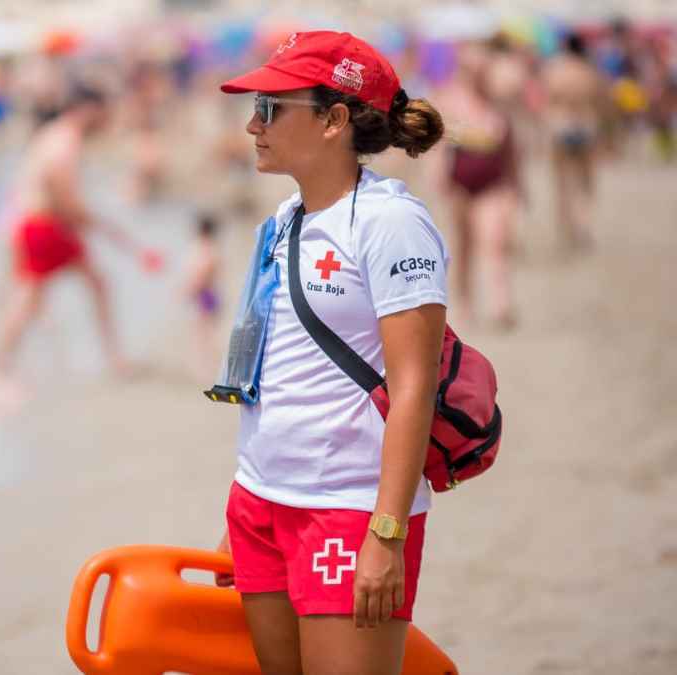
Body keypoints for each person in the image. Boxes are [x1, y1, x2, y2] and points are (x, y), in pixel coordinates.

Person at [212, 31, 448, 675]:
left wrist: (387, 532)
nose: (253, 125)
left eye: (271, 108)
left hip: (349, 506)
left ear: (334, 119)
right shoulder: (285, 218)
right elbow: (276, 368)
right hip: (260, 502)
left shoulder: (390, 222)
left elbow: (414, 386)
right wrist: (245, 505)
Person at [0, 85, 162, 402]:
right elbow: (68, 203)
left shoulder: (55, 135)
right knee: (27, 300)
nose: (106, 120)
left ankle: (114, 360)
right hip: (43, 228)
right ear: (88, 110)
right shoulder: (64, 144)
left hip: (47, 225)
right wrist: (120, 237)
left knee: (96, 284)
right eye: (103, 112)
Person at [434, 39, 522, 328]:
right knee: (463, 247)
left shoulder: (500, 101)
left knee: (495, 241)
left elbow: (511, 148)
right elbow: (440, 144)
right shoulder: (449, 100)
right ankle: (465, 304)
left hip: (492, 184)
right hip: (460, 184)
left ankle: (501, 303)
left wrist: (516, 187)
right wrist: (440, 176)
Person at [542, 34, 606, 252]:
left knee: (562, 183)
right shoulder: (589, 72)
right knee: (585, 183)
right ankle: (584, 224)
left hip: (561, 126)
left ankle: (567, 228)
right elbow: (600, 102)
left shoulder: (556, 71)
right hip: (586, 126)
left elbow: (549, 100)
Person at [183, 211, 222, 379]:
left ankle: (206, 367)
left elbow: (202, 273)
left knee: (204, 333)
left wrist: (188, 290)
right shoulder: (212, 248)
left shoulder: (205, 249)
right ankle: (207, 366)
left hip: (204, 294)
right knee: (206, 332)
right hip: (209, 293)